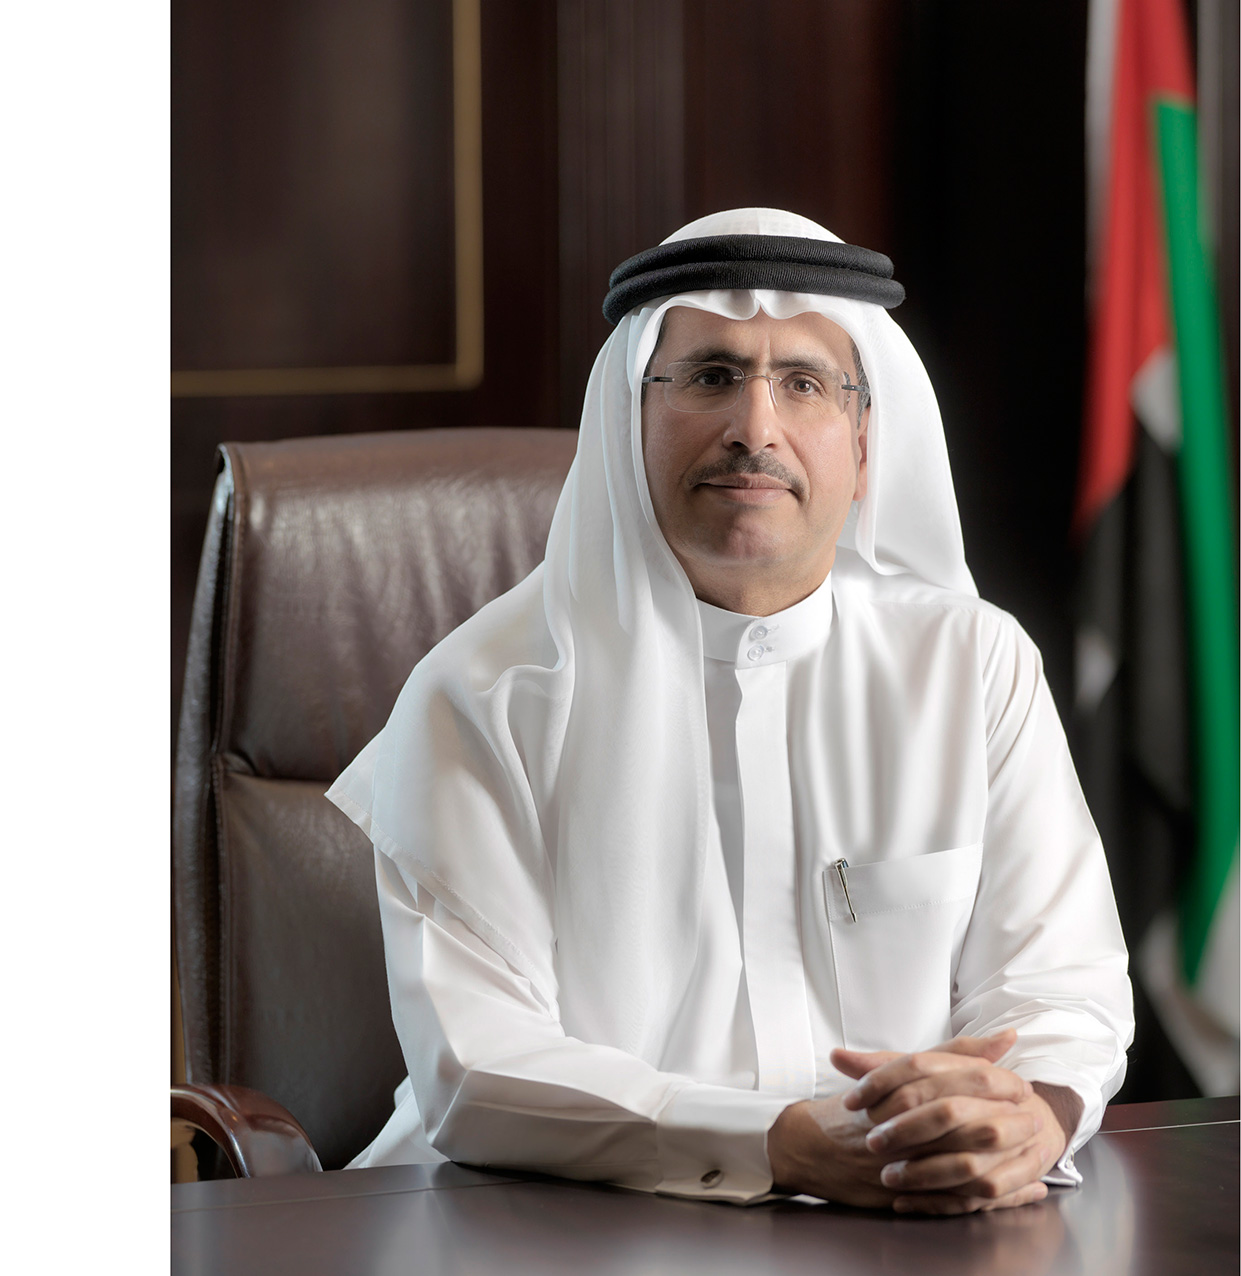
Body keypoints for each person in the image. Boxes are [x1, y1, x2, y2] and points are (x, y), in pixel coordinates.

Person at [327, 208, 1133, 1215]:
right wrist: (778, 1146)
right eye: (711, 377)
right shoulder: (480, 695)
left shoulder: (971, 664)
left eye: (804, 383)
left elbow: (1060, 984)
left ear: (865, 444)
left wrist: (1030, 1113)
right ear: (629, 425)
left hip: (903, 1221)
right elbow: (479, 1067)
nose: (756, 427)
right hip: (536, 1227)